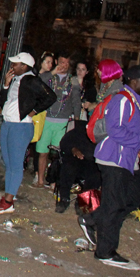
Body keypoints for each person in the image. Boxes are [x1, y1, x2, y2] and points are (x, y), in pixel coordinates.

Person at [79, 65, 140, 270]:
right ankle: (105, 251)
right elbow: (116, 131)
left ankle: (93, 219)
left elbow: (130, 131)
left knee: (131, 201)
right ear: (132, 81)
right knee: (114, 205)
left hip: (127, 160)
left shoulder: (134, 102)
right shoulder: (122, 99)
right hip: (113, 158)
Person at [0, 52, 57, 214]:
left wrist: (33, 111)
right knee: (9, 163)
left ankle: (8, 201)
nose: (12, 66)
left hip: (20, 126)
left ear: (24, 66)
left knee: (15, 165)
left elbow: (50, 97)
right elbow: (6, 101)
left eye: (15, 64)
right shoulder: (17, 80)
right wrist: (5, 85)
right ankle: (8, 197)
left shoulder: (31, 80)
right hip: (9, 123)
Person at [36, 52, 81, 187]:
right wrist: (53, 71)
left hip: (62, 121)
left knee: (58, 154)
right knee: (43, 152)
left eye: (66, 63)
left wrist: (76, 120)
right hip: (46, 119)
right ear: (56, 61)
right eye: (61, 62)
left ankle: (54, 182)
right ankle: (40, 180)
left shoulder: (73, 80)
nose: (64, 65)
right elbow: (38, 81)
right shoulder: (50, 76)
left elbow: (76, 101)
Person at [55, 120, 101, 213]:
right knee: (68, 167)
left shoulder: (102, 134)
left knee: (96, 174)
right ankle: (64, 199)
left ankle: (82, 203)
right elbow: (65, 141)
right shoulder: (80, 129)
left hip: (92, 161)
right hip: (75, 157)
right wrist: (73, 149)